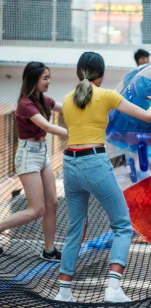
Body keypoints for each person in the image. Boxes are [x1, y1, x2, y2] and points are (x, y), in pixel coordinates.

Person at [54, 51, 151, 303]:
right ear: (101, 76)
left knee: (75, 228)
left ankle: (64, 291)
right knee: (123, 225)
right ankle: (113, 289)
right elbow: (148, 116)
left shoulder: (69, 100)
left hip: (70, 164)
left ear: (77, 72)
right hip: (94, 163)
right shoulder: (107, 96)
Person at [0, 61, 67, 261]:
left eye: (49, 77)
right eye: (45, 78)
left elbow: (66, 109)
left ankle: (49, 249)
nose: (49, 81)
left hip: (42, 153)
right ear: (34, 80)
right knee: (36, 209)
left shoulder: (43, 99)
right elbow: (47, 126)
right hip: (28, 155)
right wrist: (76, 133)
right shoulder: (25, 104)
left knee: (52, 203)